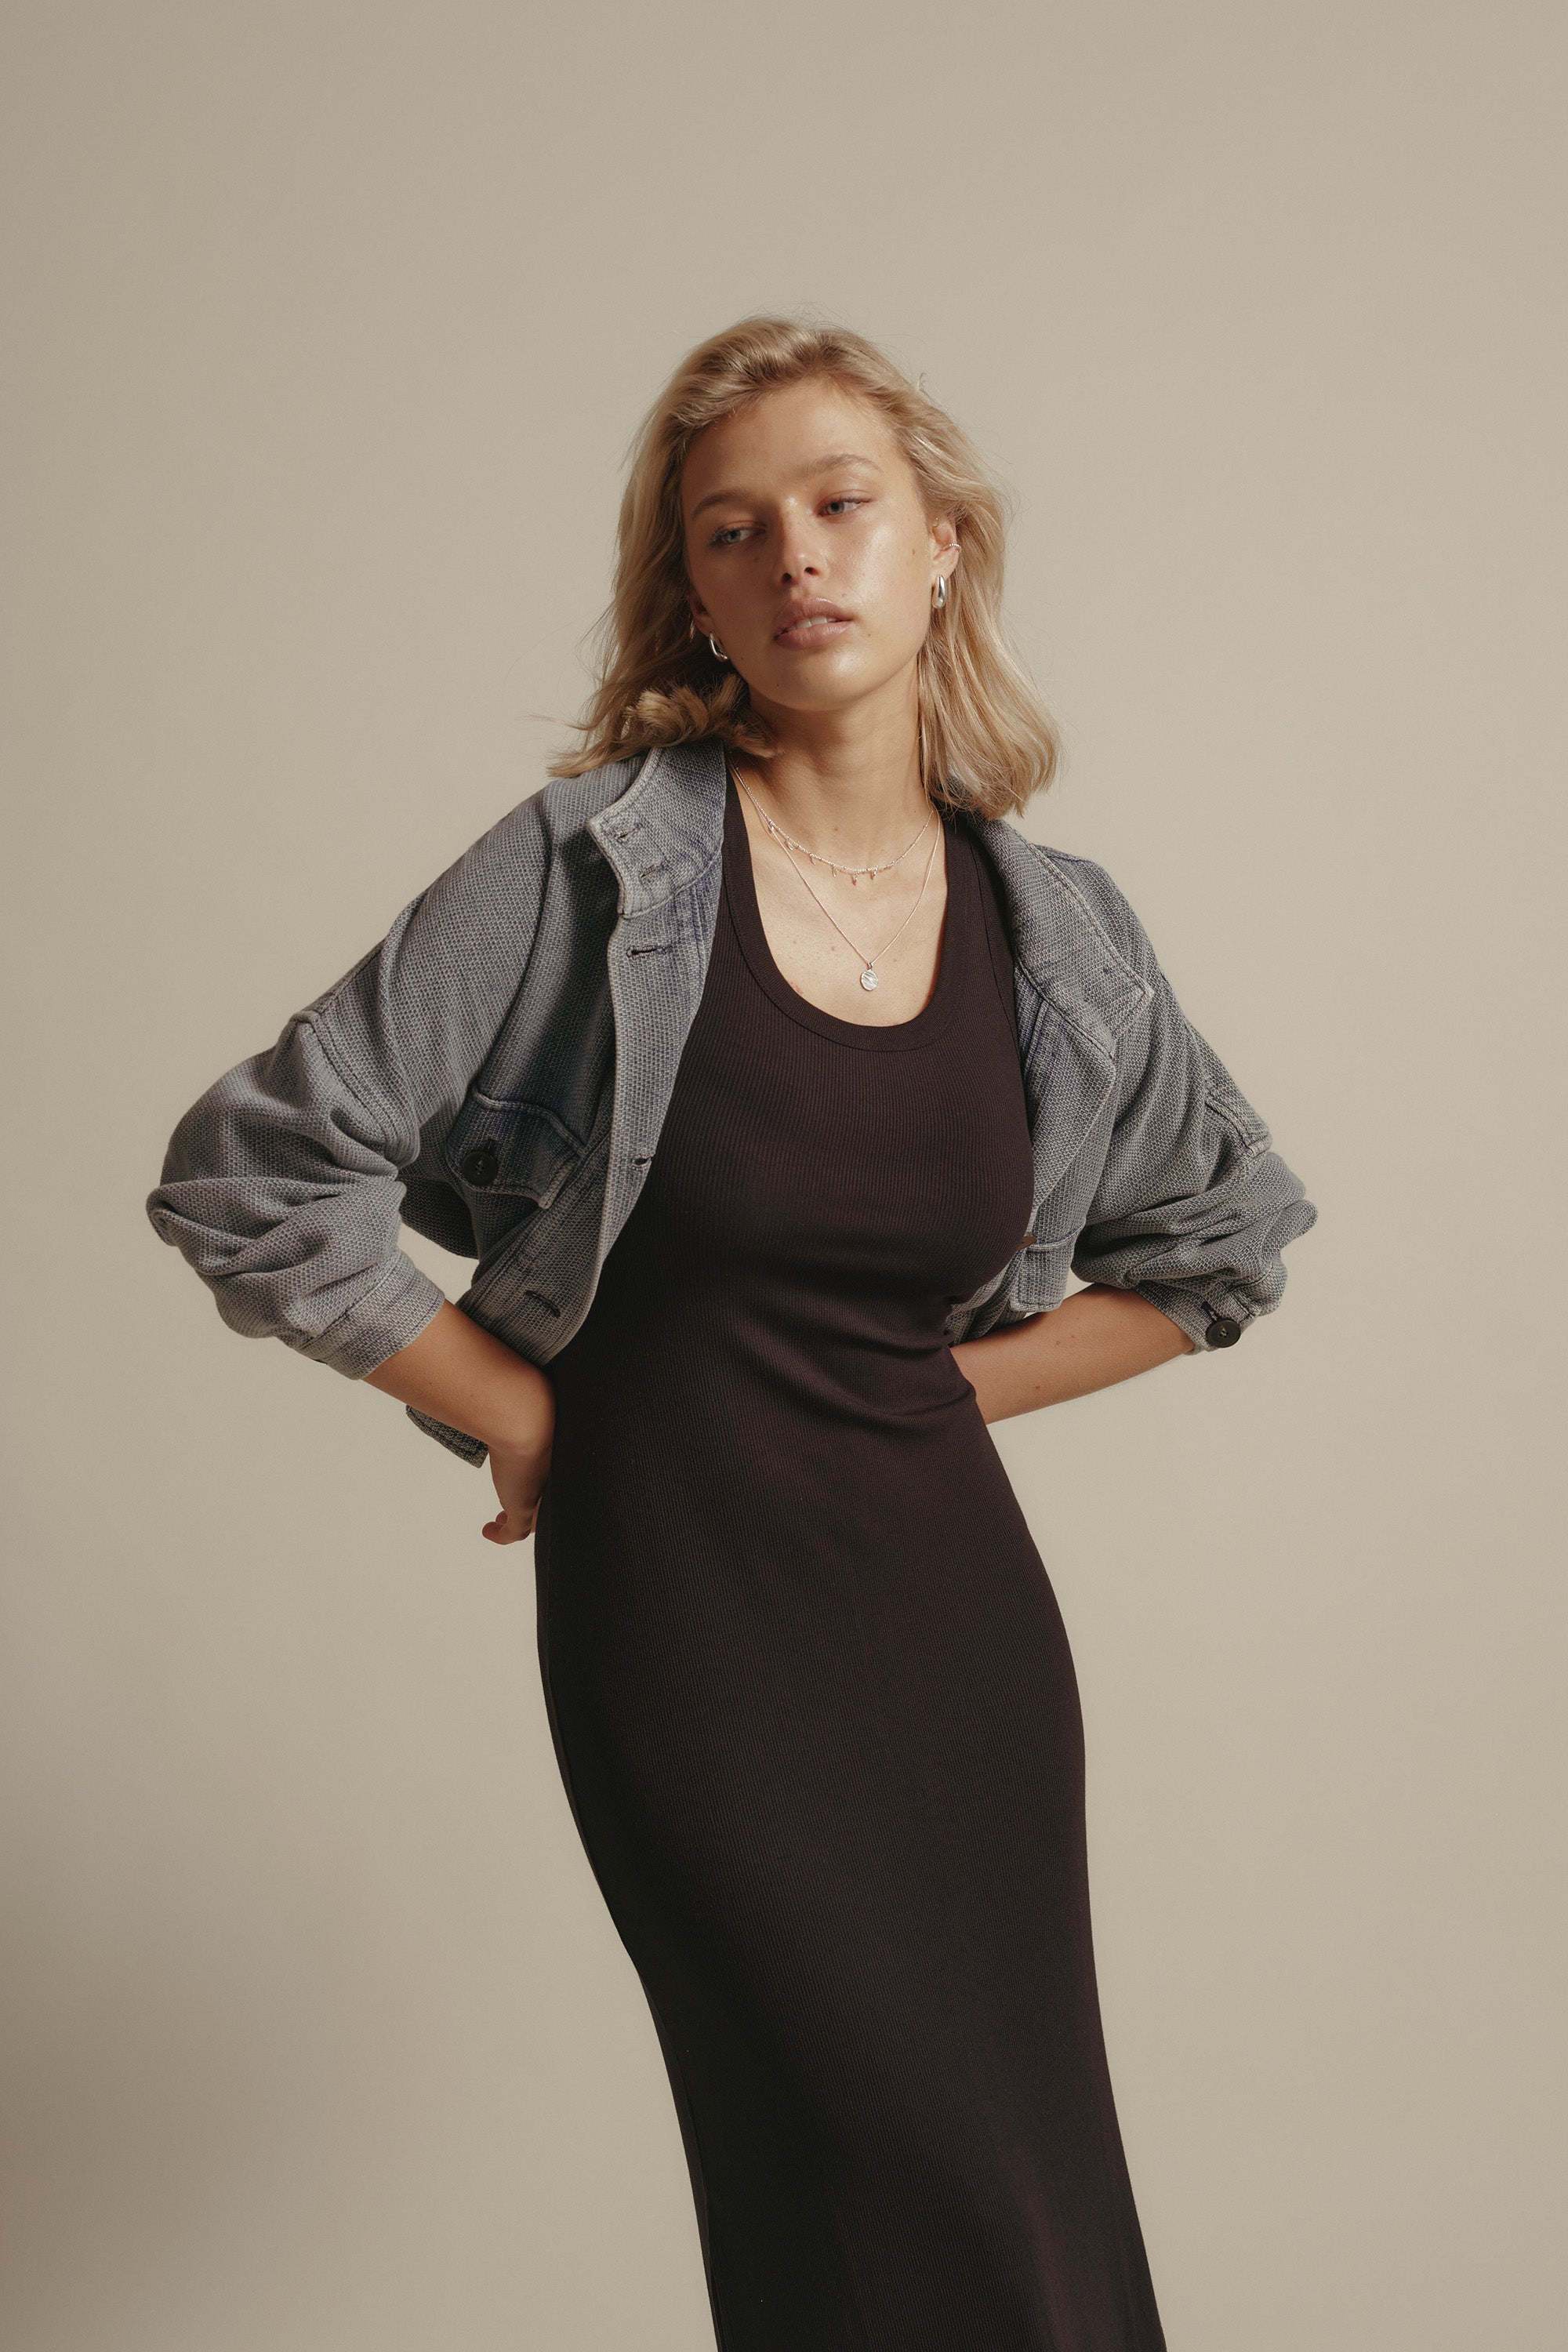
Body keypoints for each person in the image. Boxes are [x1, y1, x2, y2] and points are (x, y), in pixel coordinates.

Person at [148, 315, 1316, 2351]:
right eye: (733, 528)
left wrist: (925, 1394)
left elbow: (1225, 1245)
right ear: (692, 589)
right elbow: (253, 1172)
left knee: (1024, 2190)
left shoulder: (1064, 933)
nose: (797, 557)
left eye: (842, 503)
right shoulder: (588, 876)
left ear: (942, 542)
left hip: (958, 1641)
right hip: (687, 1629)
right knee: (877, 2188)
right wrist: (524, 1412)